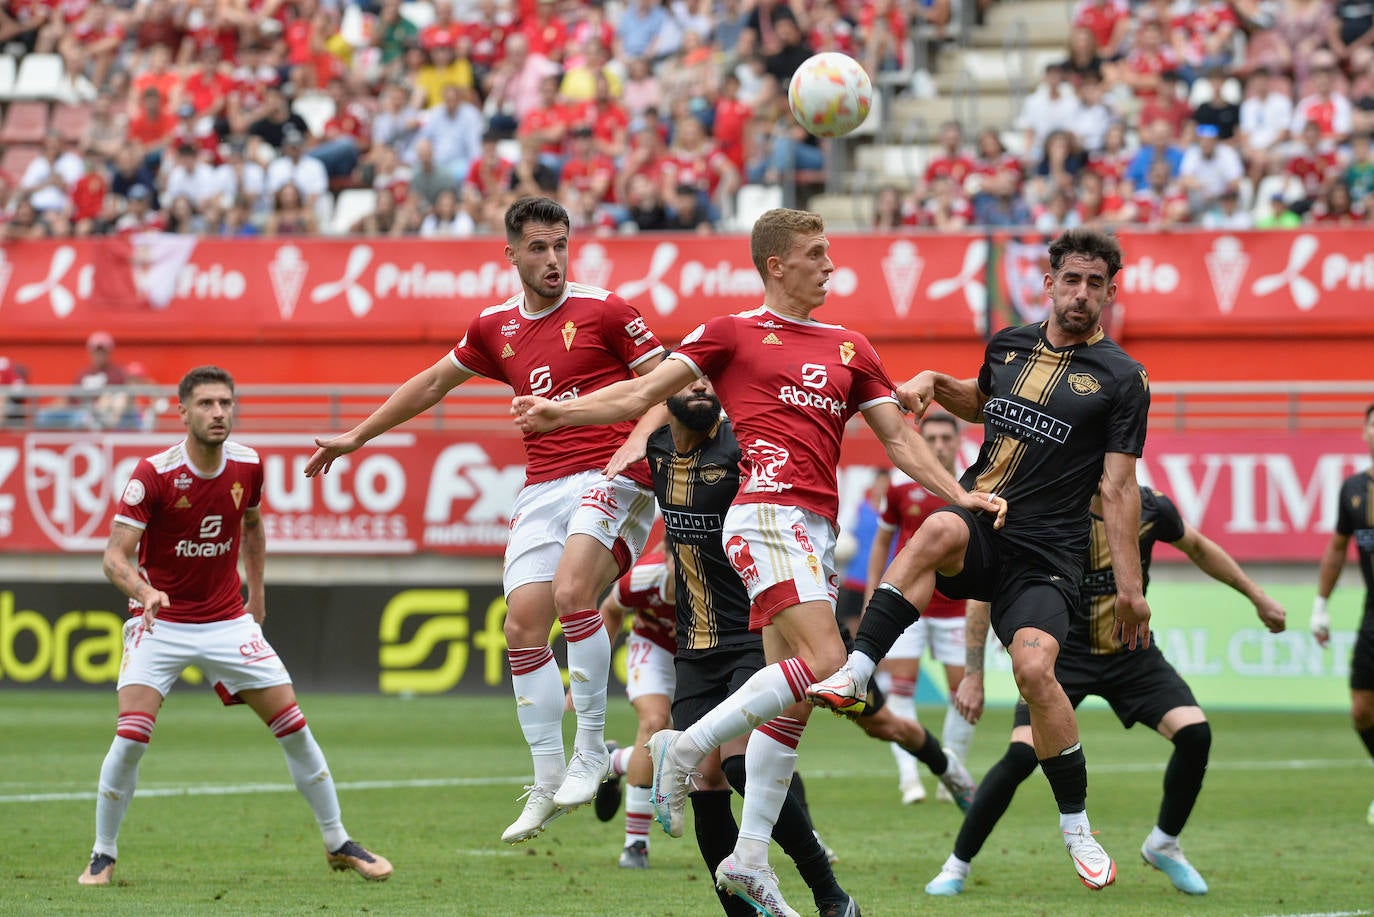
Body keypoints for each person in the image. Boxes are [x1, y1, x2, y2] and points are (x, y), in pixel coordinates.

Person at [513, 207, 1004, 915]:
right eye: (816, 253)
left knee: (794, 702)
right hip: (766, 513)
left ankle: (748, 859)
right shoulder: (730, 332)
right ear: (778, 265)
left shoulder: (850, 347)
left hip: (815, 527)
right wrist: (565, 416)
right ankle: (689, 747)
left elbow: (899, 440)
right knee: (833, 663)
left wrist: (960, 493)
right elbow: (642, 394)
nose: (830, 264)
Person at [305, 196, 667, 845]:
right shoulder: (494, 326)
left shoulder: (607, 310)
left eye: (560, 244)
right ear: (512, 254)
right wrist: (358, 436)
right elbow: (431, 384)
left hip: (615, 476)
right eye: (538, 248)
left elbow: (667, 387)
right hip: (544, 486)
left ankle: (590, 750)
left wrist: (631, 445)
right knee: (523, 625)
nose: (553, 259)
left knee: (571, 593)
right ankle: (549, 778)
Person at [808, 227, 1152, 892]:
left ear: (1112, 291)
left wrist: (1131, 590)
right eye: (1070, 280)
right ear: (1048, 283)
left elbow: (1117, 487)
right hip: (986, 523)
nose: (1081, 294)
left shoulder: (1123, 379)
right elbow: (985, 399)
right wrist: (937, 381)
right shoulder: (1009, 344)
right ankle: (856, 670)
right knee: (938, 526)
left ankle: (1076, 825)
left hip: (1048, 556)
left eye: (1095, 284)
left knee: (1033, 672)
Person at [602, 374, 975, 916]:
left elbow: (811, 429)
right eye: (691, 380)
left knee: (754, 760)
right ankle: (755, 905)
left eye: (712, 380)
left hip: (761, 627)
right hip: (695, 643)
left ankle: (833, 888)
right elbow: (619, 410)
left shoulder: (742, 448)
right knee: (710, 778)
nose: (705, 387)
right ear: (667, 398)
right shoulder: (656, 450)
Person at [77, 366, 390, 886]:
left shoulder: (248, 465)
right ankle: (102, 855)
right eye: (205, 404)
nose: (218, 412)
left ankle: (338, 842)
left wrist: (258, 595)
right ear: (182, 412)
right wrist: (145, 591)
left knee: (294, 727)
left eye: (225, 403)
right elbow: (114, 558)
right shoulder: (152, 474)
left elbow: (252, 526)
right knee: (131, 738)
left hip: (227, 620)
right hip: (162, 622)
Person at [924, 484, 1287, 898]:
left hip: (1130, 653)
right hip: (1061, 659)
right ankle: (957, 864)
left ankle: (1164, 843)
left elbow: (1200, 549)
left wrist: (1257, 596)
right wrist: (974, 674)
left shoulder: (1150, 510)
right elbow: (984, 595)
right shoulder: (1048, 510)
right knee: (1021, 755)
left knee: (1195, 733)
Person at [865, 412, 978, 805]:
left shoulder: (973, 486)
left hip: (957, 608)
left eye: (947, 438)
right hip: (909, 603)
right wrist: (874, 592)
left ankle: (953, 774)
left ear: (958, 440)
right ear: (922, 440)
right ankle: (909, 778)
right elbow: (883, 541)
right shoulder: (900, 486)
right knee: (901, 689)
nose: (939, 445)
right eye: (931, 438)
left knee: (963, 693)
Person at [595, 548, 679, 870]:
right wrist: (591, 676)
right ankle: (635, 844)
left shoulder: (715, 578)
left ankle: (614, 761)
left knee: (701, 752)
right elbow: (610, 609)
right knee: (655, 723)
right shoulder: (643, 577)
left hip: (702, 656)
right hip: (653, 648)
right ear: (667, 555)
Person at [1311, 404, 1374, 827]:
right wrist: (1321, 604)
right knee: (1361, 710)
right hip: (1372, 613)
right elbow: (1337, 548)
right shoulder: (1354, 488)